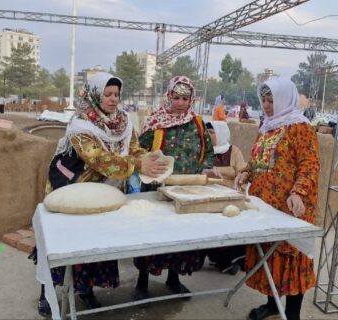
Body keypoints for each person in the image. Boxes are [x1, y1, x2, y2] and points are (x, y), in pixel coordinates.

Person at [32, 72, 168, 316]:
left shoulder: (123, 121)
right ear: (95, 95)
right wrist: (136, 165)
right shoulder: (81, 123)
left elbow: (134, 149)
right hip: (73, 189)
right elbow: (98, 159)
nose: (113, 99)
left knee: (95, 243)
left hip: (106, 192)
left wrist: (146, 157)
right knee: (63, 244)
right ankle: (47, 292)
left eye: (116, 94)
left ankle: (86, 291)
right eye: (107, 94)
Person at [234, 78, 319, 320]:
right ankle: (272, 305)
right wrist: (245, 173)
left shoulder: (300, 128)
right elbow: (256, 160)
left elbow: (309, 165)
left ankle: (293, 314)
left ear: (284, 99)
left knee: (292, 257)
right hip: (266, 206)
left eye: (272, 100)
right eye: (264, 100)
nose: (268, 105)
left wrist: (298, 192)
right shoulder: (268, 126)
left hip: (291, 206)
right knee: (269, 256)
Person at [134, 75, 215, 301]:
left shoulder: (197, 123)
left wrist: (207, 168)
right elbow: (138, 151)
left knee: (180, 237)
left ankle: (173, 278)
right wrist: (148, 163)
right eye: (176, 97)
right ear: (169, 96)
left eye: (185, 98)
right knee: (152, 236)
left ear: (192, 100)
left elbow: (208, 152)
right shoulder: (156, 122)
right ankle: (142, 281)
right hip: (157, 190)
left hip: (187, 191)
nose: (180, 103)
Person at [203, 120, 246, 274]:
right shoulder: (204, 150)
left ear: (221, 134)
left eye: (212, 132)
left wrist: (238, 177)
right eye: (207, 132)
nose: (208, 135)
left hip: (230, 194)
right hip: (209, 194)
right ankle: (214, 257)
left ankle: (231, 259)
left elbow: (241, 171)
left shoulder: (234, 151)